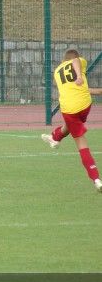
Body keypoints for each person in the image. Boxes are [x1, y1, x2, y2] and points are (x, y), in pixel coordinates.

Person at [41, 49, 102, 192]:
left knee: (80, 142)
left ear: (63, 60)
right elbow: (75, 61)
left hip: (69, 109)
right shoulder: (79, 61)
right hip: (85, 106)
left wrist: (80, 77)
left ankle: (96, 179)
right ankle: (55, 138)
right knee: (74, 128)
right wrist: (79, 75)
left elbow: (74, 84)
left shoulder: (57, 71)